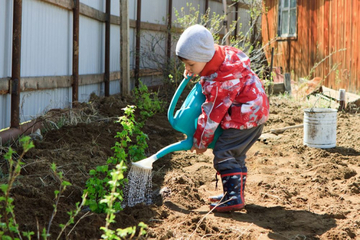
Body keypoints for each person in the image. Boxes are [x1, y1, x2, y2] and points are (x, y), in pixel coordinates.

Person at [175, 24, 269, 212]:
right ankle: (233, 195)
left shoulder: (222, 82)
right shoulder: (222, 58)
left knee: (223, 153)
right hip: (255, 111)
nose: (188, 68)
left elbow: (211, 116)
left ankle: (233, 198)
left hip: (244, 117)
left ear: (204, 57)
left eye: (190, 65)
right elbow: (207, 69)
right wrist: (194, 69)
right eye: (186, 64)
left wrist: (200, 142)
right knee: (235, 154)